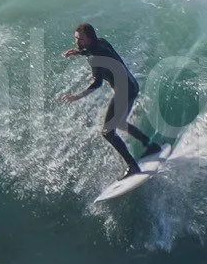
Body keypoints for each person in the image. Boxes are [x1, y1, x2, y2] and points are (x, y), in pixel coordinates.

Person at [61, 23, 165, 177]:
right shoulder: (101, 42)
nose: (78, 42)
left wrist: (76, 96)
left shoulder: (95, 58)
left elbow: (97, 83)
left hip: (125, 91)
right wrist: (76, 52)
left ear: (89, 38)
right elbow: (90, 49)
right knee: (120, 123)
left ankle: (132, 166)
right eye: (76, 39)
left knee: (107, 132)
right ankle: (151, 146)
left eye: (81, 39)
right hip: (132, 85)